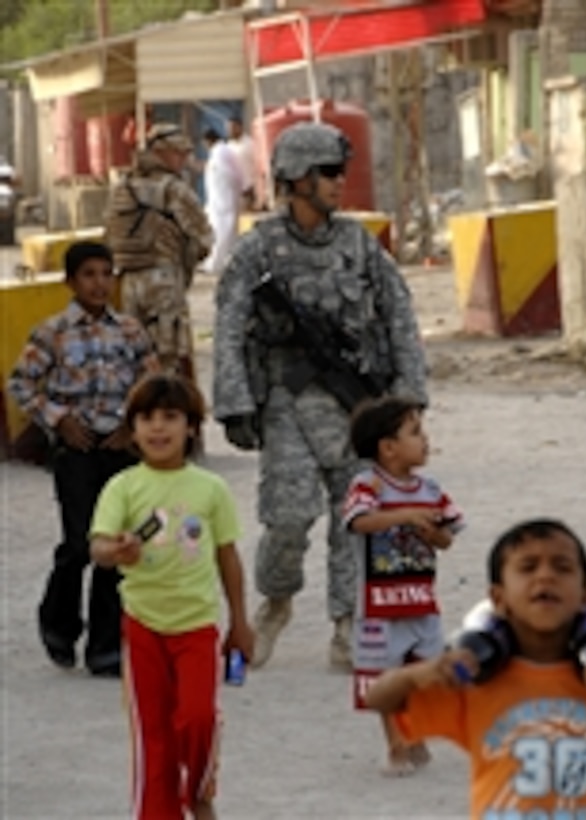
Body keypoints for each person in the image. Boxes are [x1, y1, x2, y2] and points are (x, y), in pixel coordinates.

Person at [212, 121, 427, 671]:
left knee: (353, 517)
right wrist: (233, 400)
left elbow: (398, 313)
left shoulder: (357, 243)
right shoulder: (260, 249)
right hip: (289, 400)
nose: (338, 182)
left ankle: (346, 624)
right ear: (297, 178)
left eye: (339, 172)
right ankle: (276, 602)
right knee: (287, 515)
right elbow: (230, 321)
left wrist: (408, 395)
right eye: (328, 172)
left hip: (357, 406)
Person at [89, 373, 254, 820]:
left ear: (193, 427)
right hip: (142, 627)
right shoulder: (122, 487)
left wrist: (240, 622)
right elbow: (99, 548)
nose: (158, 428)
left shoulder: (211, 489)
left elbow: (228, 557)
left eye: (170, 417)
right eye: (146, 418)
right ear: (132, 428)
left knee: (198, 718)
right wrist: (115, 549)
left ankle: (200, 790)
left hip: (198, 627)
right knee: (153, 738)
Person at [365, 519, 586, 817]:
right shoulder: (476, 680)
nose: (545, 576)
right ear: (497, 599)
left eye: (563, 567)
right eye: (528, 567)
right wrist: (421, 673)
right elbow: (378, 699)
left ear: (585, 598)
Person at [8, 241, 158, 676]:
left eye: (106, 274)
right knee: (79, 544)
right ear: (70, 281)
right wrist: (59, 420)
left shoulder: (131, 331)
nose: (99, 283)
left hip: (121, 449)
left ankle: (105, 645)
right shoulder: (51, 333)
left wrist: (132, 427)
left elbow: (154, 383)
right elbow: (21, 385)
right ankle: (58, 620)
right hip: (76, 450)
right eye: (89, 274)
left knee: (117, 545)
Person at [343, 395, 464, 775]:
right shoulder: (368, 486)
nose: (425, 439)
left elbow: (448, 538)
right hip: (379, 605)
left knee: (424, 673)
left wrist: (432, 533)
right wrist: (406, 515)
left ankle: (416, 732)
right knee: (384, 675)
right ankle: (396, 744)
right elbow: (359, 522)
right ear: (388, 447)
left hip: (421, 601)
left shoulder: (431, 490)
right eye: (415, 432)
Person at [105, 122, 213, 377]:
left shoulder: (122, 187)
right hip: (164, 282)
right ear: (162, 153)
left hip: (128, 281)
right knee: (168, 358)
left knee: (135, 358)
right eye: (179, 153)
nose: (183, 159)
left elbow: (109, 234)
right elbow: (204, 238)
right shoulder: (174, 189)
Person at [201, 127, 244, 277]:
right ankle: (219, 262)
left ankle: (216, 263)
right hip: (221, 200)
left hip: (223, 201)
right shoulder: (222, 151)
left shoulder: (221, 152)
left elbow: (228, 174)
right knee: (222, 233)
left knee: (222, 233)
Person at [227, 116, 257, 210]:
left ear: (240, 127)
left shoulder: (250, 144)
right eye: (228, 128)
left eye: (232, 128)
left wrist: (253, 188)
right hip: (234, 193)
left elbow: (258, 167)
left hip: (248, 192)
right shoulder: (229, 146)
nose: (230, 131)